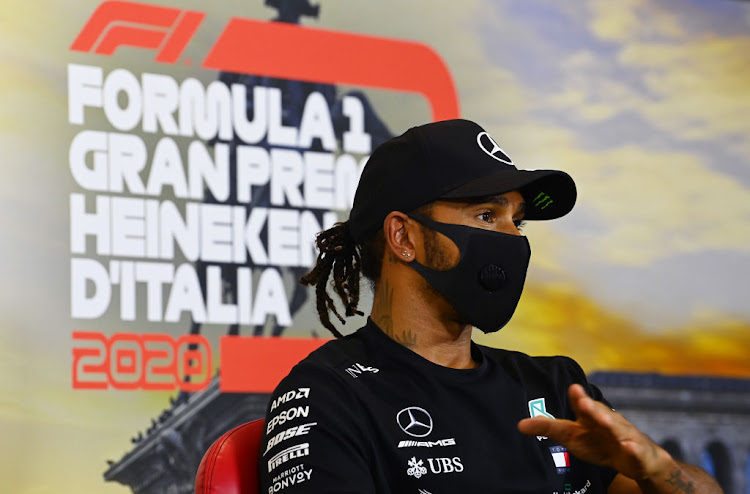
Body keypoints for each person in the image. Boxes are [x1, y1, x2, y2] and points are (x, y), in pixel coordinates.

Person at [258, 119, 722, 493]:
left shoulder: (558, 387)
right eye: (486, 216)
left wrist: (655, 468)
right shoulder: (327, 397)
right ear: (405, 237)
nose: (515, 239)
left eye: (517, 221)